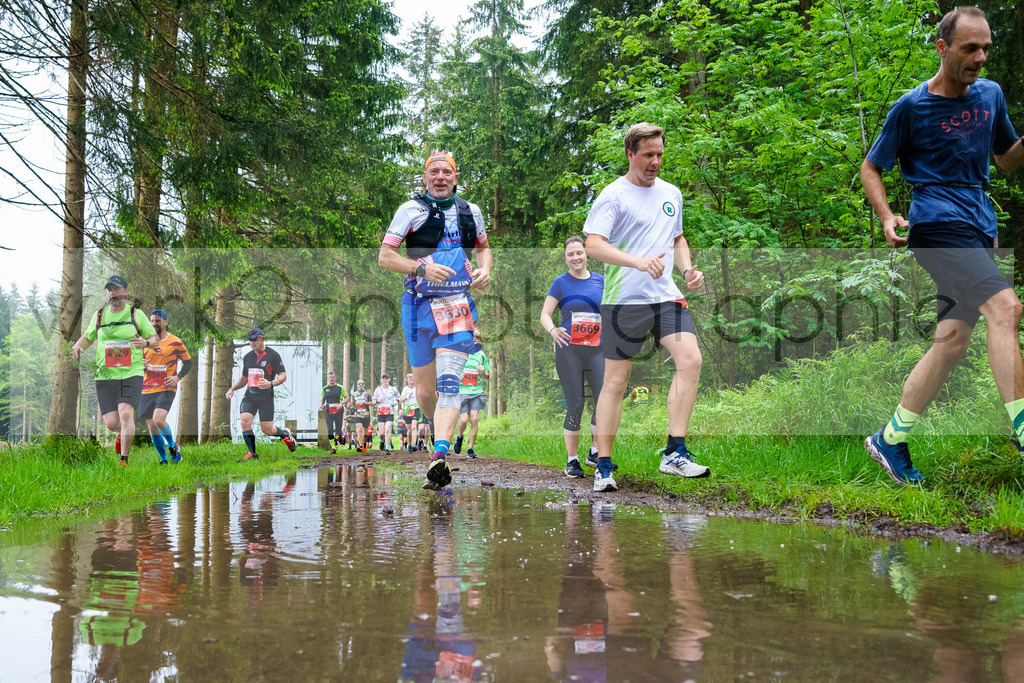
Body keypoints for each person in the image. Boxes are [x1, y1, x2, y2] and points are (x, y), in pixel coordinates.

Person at [860, 6, 1024, 485]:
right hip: (935, 224)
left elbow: (1007, 160)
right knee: (1006, 309)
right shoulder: (911, 107)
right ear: (942, 47)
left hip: (978, 225)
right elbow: (873, 167)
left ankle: (889, 438)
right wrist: (889, 215)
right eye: (970, 48)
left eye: (986, 48)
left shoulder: (990, 94)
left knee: (952, 341)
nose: (981, 58)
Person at [584, 122, 710, 493]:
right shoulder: (613, 195)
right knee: (617, 382)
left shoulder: (671, 192)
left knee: (691, 360)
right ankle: (603, 465)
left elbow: (677, 237)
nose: (655, 162)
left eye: (659, 154)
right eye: (648, 155)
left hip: (666, 295)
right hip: (624, 299)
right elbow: (593, 245)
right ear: (630, 154)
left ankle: (675, 451)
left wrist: (687, 269)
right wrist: (637, 261)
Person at [378, 151, 491, 489]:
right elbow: (385, 257)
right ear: (425, 177)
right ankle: (437, 426)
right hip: (417, 305)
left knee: (448, 386)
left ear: (456, 177)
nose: (440, 177)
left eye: (447, 172)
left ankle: (440, 456)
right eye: (434, 172)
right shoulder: (409, 211)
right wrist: (421, 267)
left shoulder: (471, 211)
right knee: (427, 392)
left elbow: (484, 247)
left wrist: (485, 269)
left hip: (456, 305)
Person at [71, 275, 159, 467]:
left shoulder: (136, 315)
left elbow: (155, 339)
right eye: (109, 290)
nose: (113, 293)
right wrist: (78, 347)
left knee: (126, 413)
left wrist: (145, 342)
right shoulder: (100, 315)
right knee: (111, 423)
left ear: (125, 292)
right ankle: (123, 432)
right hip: (105, 375)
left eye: (117, 289)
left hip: (131, 373)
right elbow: (88, 337)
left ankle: (124, 460)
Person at [541, 236, 606, 478]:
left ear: (586, 254)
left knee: (603, 402)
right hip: (569, 350)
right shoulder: (561, 282)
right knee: (576, 403)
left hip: (597, 349)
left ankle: (595, 453)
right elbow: (545, 314)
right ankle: (572, 460)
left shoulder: (601, 280)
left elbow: (610, 309)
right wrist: (553, 330)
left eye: (579, 252)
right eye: (571, 254)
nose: (576, 257)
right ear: (566, 258)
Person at [224, 328, 297, 461]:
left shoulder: (272, 355)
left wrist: (271, 383)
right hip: (250, 396)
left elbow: (283, 376)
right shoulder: (248, 357)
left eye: (254, 340)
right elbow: (244, 378)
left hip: (265, 398)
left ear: (262, 339)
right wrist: (232, 388)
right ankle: (252, 454)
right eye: (250, 341)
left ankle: (285, 434)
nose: (251, 343)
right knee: (245, 422)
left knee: (267, 430)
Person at [140, 309, 192, 464]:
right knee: (151, 425)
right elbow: (136, 362)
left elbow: (188, 363)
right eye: (152, 321)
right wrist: (140, 364)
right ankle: (163, 459)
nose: (155, 323)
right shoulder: (145, 342)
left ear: (166, 322)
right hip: (147, 387)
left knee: (158, 419)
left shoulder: (175, 341)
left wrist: (178, 377)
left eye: (158, 320)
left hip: (167, 386)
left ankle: (173, 446)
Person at [453, 329, 489, 459]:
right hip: (462, 391)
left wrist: (483, 371)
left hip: (476, 391)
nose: (475, 339)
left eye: (477, 337)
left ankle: (470, 448)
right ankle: (460, 436)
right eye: (472, 337)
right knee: (464, 419)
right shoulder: (461, 352)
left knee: (474, 418)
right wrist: (459, 376)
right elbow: (452, 370)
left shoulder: (481, 355)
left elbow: (488, 376)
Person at [318, 371, 347, 454]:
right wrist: (321, 405)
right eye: (330, 377)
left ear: (335, 378)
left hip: (338, 411)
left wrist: (342, 403)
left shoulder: (340, 387)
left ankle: (337, 443)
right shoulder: (325, 388)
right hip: (329, 411)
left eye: (333, 377)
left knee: (338, 430)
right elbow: (323, 398)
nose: (331, 379)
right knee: (330, 429)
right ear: (328, 378)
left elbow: (346, 397)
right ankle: (333, 448)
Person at [372, 373, 400, 452]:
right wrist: (377, 401)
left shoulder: (393, 389)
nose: (384, 380)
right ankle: (382, 441)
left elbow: (399, 397)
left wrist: (396, 401)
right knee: (381, 433)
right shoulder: (377, 390)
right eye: (383, 379)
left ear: (389, 380)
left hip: (390, 412)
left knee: (387, 429)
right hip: (381, 412)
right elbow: (373, 400)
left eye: (386, 379)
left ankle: (387, 448)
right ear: (381, 380)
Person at [347, 378, 372, 452]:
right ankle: (360, 446)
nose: (360, 385)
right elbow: (352, 404)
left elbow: (372, 403)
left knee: (365, 431)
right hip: (358, 414)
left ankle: (364, 444)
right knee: (359, 430)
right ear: (357, 385)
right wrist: (349, 406)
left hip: (366, 414)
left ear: (364, 385)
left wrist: (364, 403)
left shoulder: (367, 393)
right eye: (359, 384)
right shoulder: (354, 394)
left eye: (362, 383)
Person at [399, 373, 422, 453]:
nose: (411, 382)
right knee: (409, 430)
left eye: (412, 380)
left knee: (414, 427)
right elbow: (401, 400)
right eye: (410, 380)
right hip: (408, 409)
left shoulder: (417, 388)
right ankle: (409, 444)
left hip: (416, 408)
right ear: (407, 381)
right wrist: (408, 396)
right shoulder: (405, 389)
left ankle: (414, 444)